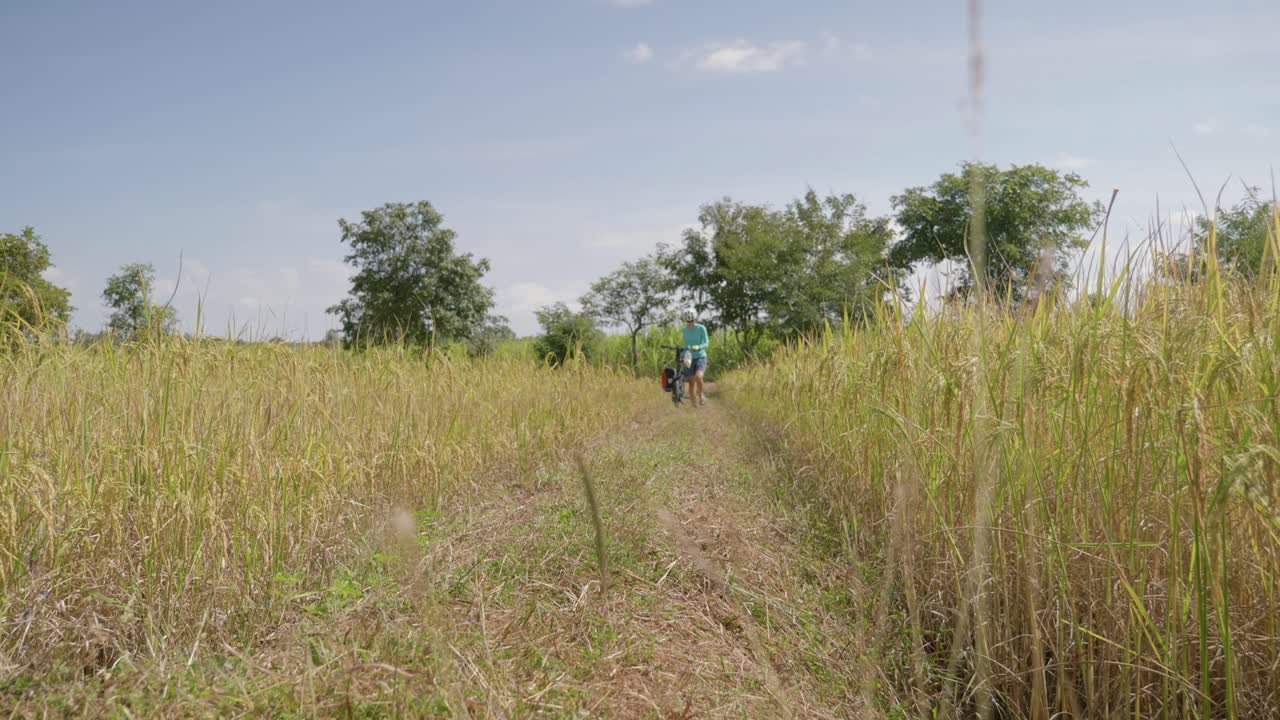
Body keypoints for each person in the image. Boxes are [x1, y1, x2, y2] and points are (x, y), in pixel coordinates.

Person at [681, 307, 709, 406]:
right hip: (689, 357)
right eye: (688, 321)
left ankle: (701, 394)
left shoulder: (701, 328)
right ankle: (693, 404)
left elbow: (706, 343)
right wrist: (682, 353)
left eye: (692, 320)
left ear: (695, 319)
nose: (690, 323)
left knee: (699, 376)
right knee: (691, 382)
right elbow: (686, 344)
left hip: (701, 356)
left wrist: (699, 347)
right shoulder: (684, 330)